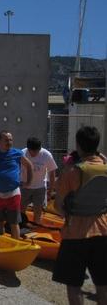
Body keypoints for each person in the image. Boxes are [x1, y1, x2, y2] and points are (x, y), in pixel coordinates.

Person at [53, 126, 107, 305]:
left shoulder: (72, 171)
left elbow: (58, 206)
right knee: (103, 283)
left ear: (78, 145)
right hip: (103, 231)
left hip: (75, 234)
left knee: (74, 285)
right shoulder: (105, 166)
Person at [0, 130, 32, 239]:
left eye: (10, 140)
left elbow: (29, 166)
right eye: (6, 140)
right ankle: (2, 244)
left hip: (13, 194)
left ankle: (16, 245)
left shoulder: (17, 153)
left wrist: (29, 182)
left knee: (14, 223)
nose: (9, 142)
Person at [20, 137, 58, 223]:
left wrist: (51, 189)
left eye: (37, 151)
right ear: (28, 148)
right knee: (20, 209)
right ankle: (20, 225)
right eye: (32, 151)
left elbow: (52, 173)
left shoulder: (46, 155)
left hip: (40, 188)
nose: (34, 153)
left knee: (38, 211)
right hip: (25, 187)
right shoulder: (22, 153)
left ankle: (36, 225)